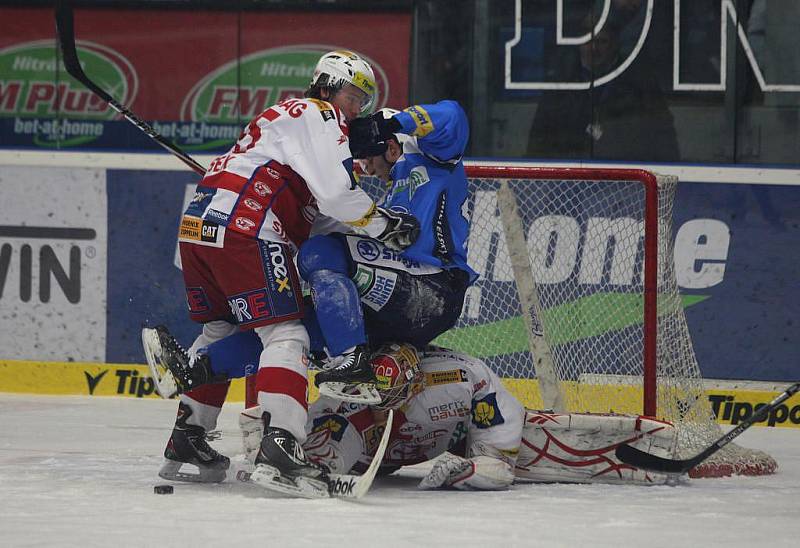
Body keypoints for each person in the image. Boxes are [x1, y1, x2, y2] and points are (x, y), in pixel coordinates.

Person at [146, 50, 419, 496]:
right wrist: (386, 226)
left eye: (364, 103)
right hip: (245, 225)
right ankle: (281, 448)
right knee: (286, 335)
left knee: (221, 328)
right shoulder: (319, 113)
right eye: (354, 97)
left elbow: (326, 216)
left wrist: (371, 230)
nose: (357, 110)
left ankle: (187, 440)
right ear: (328, 86)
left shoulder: (296, 133)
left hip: (201, 223)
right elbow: (335, 196)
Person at [147, 331, 525, 490]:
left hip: (450, 439)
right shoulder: (348, 403)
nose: (380, 406)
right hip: (376, 455)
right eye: (374, 396)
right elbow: (324, 458)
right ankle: (263, 429)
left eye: (391, 396)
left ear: (415, 384)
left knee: (534, 447)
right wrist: (313, 463)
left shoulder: (461, 377)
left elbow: (498, 449)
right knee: (320, 439)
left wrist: (474, 468)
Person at [298, 102, 478, 403]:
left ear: (392, 149)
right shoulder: (393, 191)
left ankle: (353, 360)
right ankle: (205, 369)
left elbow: (453, 115)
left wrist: (391, 125)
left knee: (320, 251)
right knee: (299, 322)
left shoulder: (434, 156)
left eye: (368, 159)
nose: (366, 170)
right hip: (405, 293)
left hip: (435, 285)